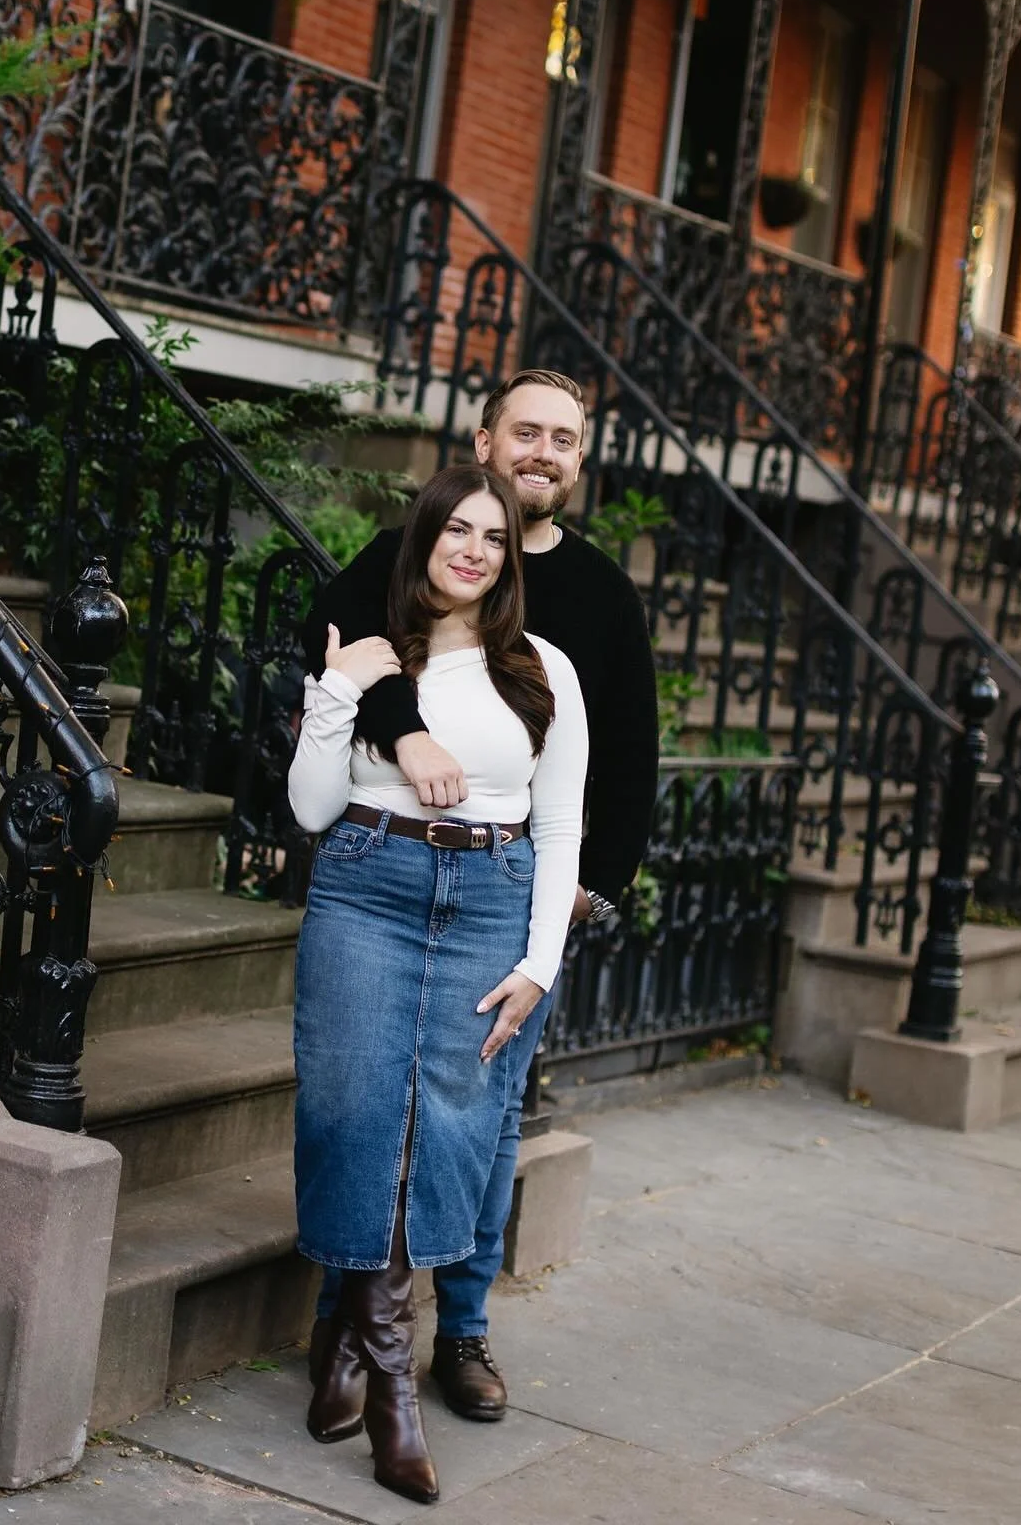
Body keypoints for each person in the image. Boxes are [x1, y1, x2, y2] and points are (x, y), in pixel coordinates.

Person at [300, 368, 659, 1427]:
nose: (543, 452)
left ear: (579, 462)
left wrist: (588, 897)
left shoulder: (595, 597)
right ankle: (349, 1332)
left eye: (564, 438)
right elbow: (339, 654)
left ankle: (460, 1331)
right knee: (368, 1103)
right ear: (486, 438)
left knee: (485, 1119)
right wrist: (402, 727)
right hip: (390, 873)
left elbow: (622, 763)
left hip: (523, 894)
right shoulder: (416, 553)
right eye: (526, 432)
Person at [288, 463, 588, 1505]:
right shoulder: (373, 660)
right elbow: (311, 808)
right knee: (354, 1112)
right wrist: (336, 697)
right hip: (368, 886)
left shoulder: (541, 670)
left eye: (493, 537)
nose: (472, 549)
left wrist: (538, 966)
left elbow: (559, 826)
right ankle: (393, 1385)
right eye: (455, 530)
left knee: (446, 1131)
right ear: (422, 540)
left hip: (491, 903)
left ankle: (346, 1347)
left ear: (509, 560)